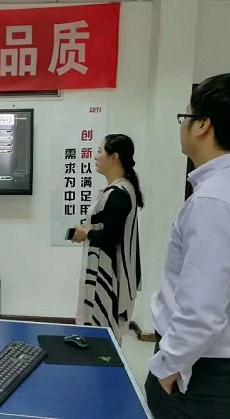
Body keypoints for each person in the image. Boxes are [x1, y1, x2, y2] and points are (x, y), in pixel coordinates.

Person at [146, 72, 230, 419]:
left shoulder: (215, 201)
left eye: (186, 116)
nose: (183, 125)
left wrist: (167, 367)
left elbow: (201, 311)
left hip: (200, 375)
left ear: (203, 125)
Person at [73, 134, 144, 344]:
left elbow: (111, 236)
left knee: (104, 337)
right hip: (105, 272)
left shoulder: (119, 193)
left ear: (114, 157)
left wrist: (87, 234)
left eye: (100, 151)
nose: (96, 157)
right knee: (100, 335)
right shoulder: (116, 190)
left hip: (110, 276)